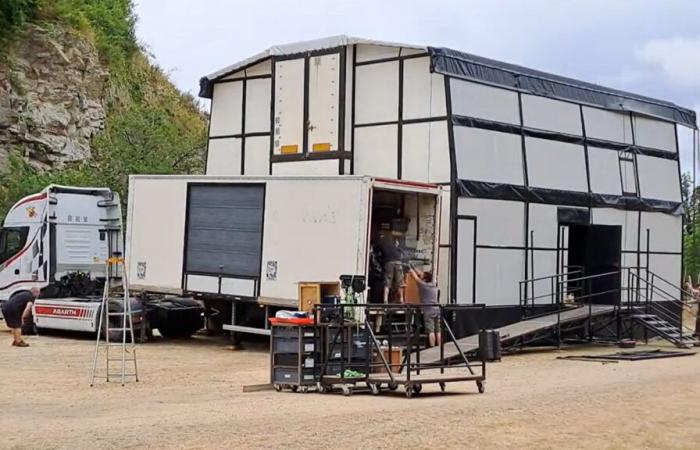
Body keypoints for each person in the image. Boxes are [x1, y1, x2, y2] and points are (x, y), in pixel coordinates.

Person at [408, 265, 441, 347]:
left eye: (422, 277)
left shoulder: (423, 286)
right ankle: (440, 348)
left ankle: (432, 348)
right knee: (438, 330)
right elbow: (421, 274)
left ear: (425, 279)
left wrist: (411, 270)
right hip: (437, 309)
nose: (421, 277)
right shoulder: (433, 285)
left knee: (431, 331)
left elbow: (416, 278)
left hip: (428, 310)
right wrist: (415, 267)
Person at [379, 230, 405, 304]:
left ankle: (385, 300)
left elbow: (380, 253)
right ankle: (401, 299)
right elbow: (401, 253)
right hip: (398, 262)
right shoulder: (395, 242)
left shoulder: (383, 242)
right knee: (399, 282)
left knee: (387, 281)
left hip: (389, 262)